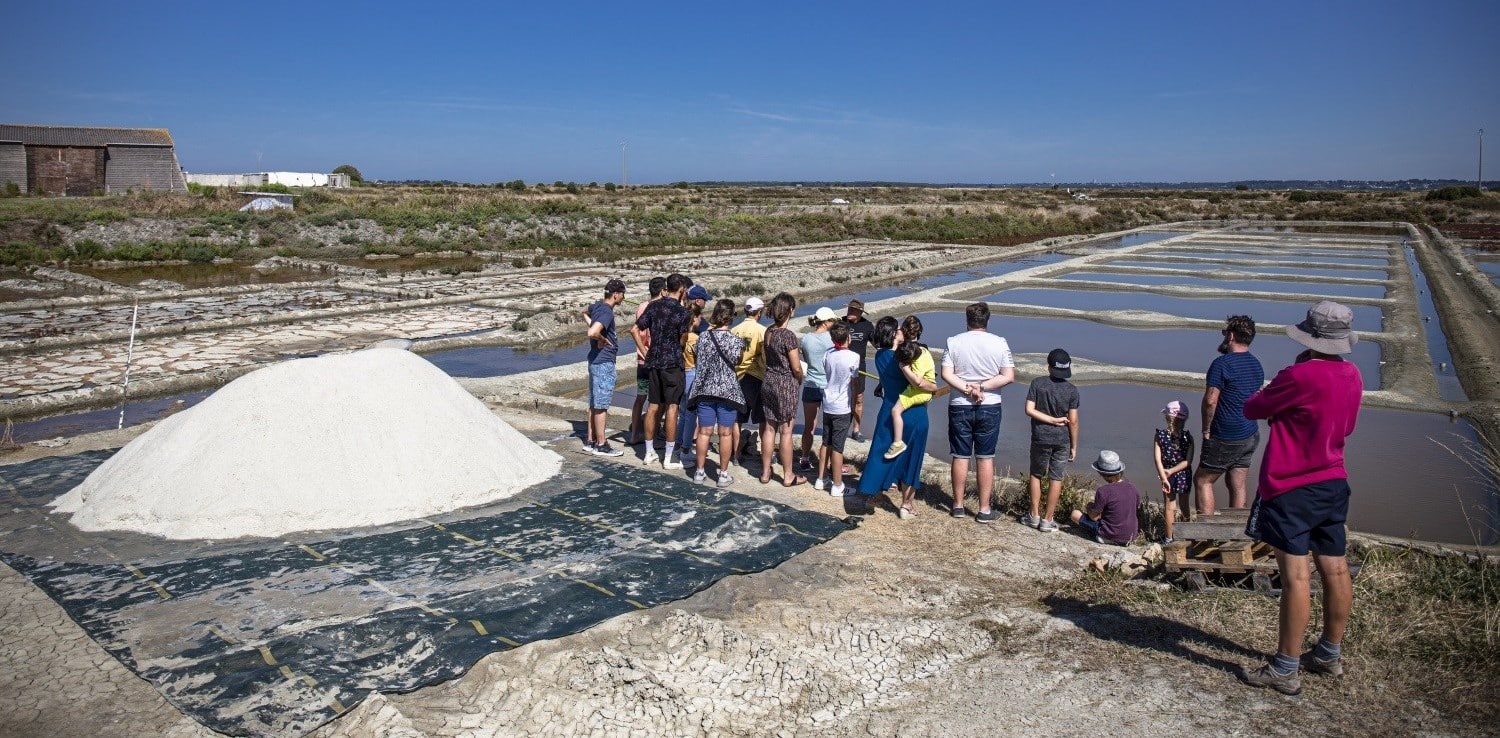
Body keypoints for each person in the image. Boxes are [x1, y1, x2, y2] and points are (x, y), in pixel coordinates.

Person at [1238, 301, 1363, 695]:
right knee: (1336, 568)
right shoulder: (1352, 374)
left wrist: (1281, 393)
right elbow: (1348, 425)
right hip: (1333, 482)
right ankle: (1328, 653)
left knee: (1295, 577)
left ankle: (1285, 668)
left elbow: (1252, 407)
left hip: (1291, 486)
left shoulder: (1298, 375)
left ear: (1310, 337)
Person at [939, 302, 1015, 522]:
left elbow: (946, 373)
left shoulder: (953, 342)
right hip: (989, 405)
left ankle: (958, 505)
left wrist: (967, 388)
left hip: (960, 404)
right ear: (987, 320)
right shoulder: (999, 343)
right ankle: (983, 509)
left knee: (960, 455)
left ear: (967, 320)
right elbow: (1008, 375)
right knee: (985, 457)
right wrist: (981, 388)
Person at [858, 317, 937, 518]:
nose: (902, 331)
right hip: (913, 410)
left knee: (882, 452)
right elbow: (922, 384)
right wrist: (933, 386)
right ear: (894, 334)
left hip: (888, 410)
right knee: (912, 457)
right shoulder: (905, 358)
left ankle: (873, 493)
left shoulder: (879, 356)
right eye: (899, 329)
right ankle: (906, 505)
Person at [1195, 314, 1264, 516]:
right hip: (1250, 433)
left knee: (1203, 480)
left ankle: (1204, 535)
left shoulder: (1222, 364)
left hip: (1226, 435)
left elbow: (1210, 401)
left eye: (1225, 332)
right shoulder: (1256, 364)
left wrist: (1206, 429)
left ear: (1231, 336)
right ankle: (1235, 535)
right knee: (1237, 483)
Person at [684, 299, 748, 487]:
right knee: (725, 434)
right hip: (727, 391)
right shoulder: (735, 340)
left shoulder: (702, 337)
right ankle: (723, 474)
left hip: (704, 390)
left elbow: (697, 356)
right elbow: (738, 360)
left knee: (704, 432)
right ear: (731, 317)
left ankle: (699, 472)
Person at [632, 273, 692, 469]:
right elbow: (683, 340)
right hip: (672, 363)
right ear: (682, 289)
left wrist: (644, 351)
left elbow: (634, 330)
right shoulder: (683, 313)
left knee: (653, 406)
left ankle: (649, 453)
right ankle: (669, 457)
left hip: (654, 362)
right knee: (673, 407)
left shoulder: (654, 306)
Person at [1022, 348, 1080, 532]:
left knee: (1036, 474)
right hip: (1062, 439)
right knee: (1056, 477)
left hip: (1040, 436)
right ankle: (1048, 520)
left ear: (1048, 366)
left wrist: (1049, 420)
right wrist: (1074, 445)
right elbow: (1074, 420)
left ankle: (1034, 515)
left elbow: (1029, 410)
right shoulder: (1071, 390)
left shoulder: (1037, 384)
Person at [759, 293, 806, 486]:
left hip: (769, 380)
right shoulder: (788, 336)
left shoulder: (769, 331)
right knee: (786, 431)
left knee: (770, 428)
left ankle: (765, 472)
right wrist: (800, 378)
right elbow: (796, 366)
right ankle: (788, 475)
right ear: (788, 311)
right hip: (785, 383)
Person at [815, 321, 860, 497]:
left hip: (828, 402)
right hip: (842, 406)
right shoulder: (853, 357)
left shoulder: (828, 354)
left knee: (826, 441)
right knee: (838, 447)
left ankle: (820, 479)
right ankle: (837, 484)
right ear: (847, 337)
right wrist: (855, 402)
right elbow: (855, 383)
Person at [583, 278, 627, 457]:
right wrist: (601, 339)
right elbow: (592, 332)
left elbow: (583, 312)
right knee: (601, 404)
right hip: (603, 362)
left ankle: (590, 440)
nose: (623, 297)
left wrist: (597, 332)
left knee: (594, 402)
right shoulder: (607, 312)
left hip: (594, 360)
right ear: (616, 295)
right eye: (623, 294)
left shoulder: (597, 306)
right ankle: (601, 444)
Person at [882, 316, 935, 461]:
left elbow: (917, 381)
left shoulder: (907, 350)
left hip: (916, 390)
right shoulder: (923, 349)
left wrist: (903, 368)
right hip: (924, 391)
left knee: (895, 410)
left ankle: (898, 442)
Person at [1069, 450, 1140, 546]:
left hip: (1109, 535)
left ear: (1101, 473)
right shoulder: (1132, 487)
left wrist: (1089, 507)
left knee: (1075, 514)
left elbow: (1094, 517)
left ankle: (1106, 538)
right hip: (1131, 535)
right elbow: (1134, 508)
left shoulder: (1103, 491)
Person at [798, 307, 838, 472]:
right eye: (833, 321)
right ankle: (829, 462)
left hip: (811, 384)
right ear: (827, 322)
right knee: (830, 427)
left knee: (809, 426)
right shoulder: (832, 339)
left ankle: (805, 458)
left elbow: (806, 359)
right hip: (828, 385)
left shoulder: (806, 338)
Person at [628, 276, 666, 446]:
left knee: (640, 398)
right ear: (662, 291)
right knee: (657, 401)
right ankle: (654, 437)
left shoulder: (642, 306)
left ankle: (634, 434)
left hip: (641, 362)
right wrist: (648, 353)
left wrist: (642, 352)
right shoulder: (659, 308)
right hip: (654, 362)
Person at [1152, 400, 1194, 544]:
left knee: (1170, 507)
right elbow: (1188, 462)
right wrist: (1172, 470)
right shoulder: (1188, 438)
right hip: (1184, 475)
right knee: (1184, 506)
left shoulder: (1160, 436)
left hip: (1167, 475)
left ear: (1167, 417)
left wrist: (1165, 476)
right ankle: (1186, 536)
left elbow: (1157, 460)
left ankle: (1169, 538)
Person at [731, 297, 767, 462]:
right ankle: (764, 455)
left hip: (738, 377)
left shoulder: (735, 329)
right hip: (757, 377)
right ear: (759, 312)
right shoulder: (762, 331)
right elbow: (765, 358)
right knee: (762, 420)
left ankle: (736, 454)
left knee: (738, 419)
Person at [672, 300, 705, 467]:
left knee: (683, 414)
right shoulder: (694, 339)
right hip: (692, 374)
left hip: (681, 374)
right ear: (694, 319)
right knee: (691, 415)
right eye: (700, 317)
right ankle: (686, 449)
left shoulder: (680, 335)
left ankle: (678, 445)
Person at [842, 300, 875, 441]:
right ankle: (842, 429)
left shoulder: (867, 326)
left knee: (859, 399)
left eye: (853, 310)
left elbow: (877, 344)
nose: (850, 312)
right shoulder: (841, 323)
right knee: (844, 398)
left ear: (860, 312)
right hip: (842, 366)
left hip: (859, 367)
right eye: (849, 309)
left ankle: (856, 430)